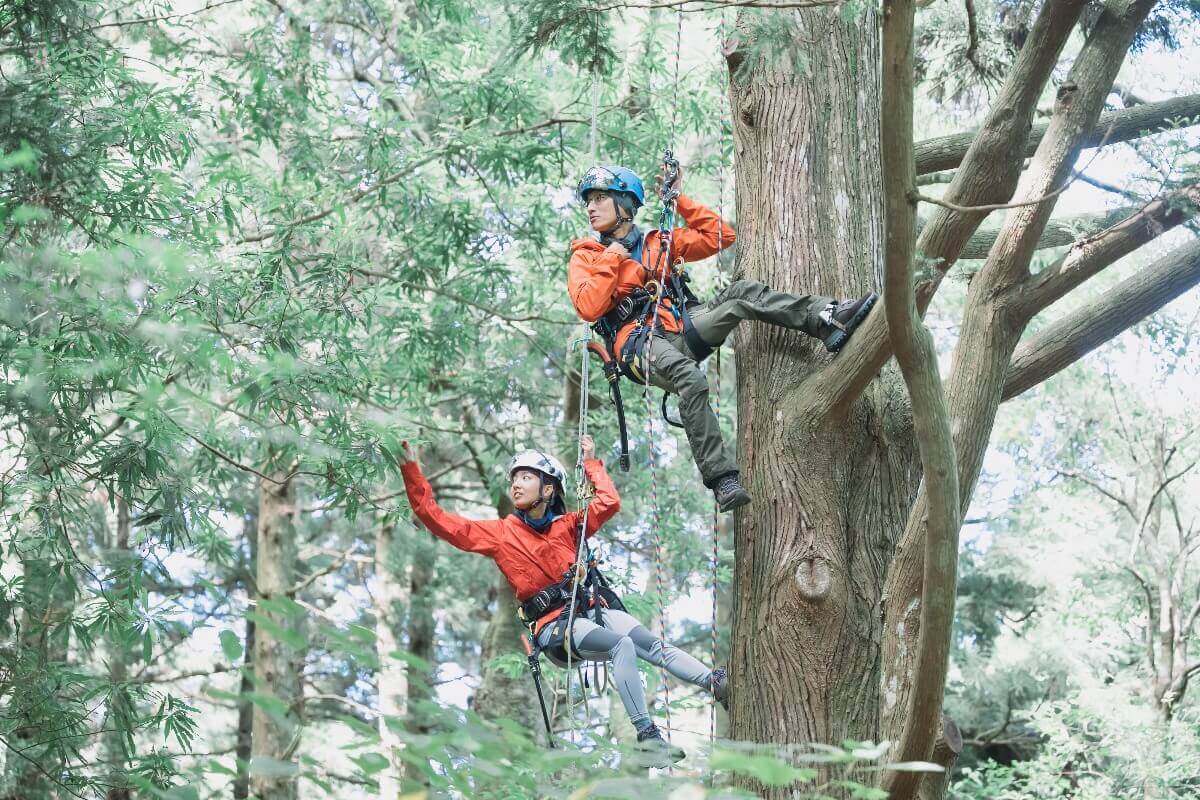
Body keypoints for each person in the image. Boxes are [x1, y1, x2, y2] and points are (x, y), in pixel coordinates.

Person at [567, 163, 878, 512]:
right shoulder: (587, 255)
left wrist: (678, 199)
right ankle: (722, 479)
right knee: (690, 377)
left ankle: (826, 318)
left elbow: (719, 236)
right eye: (589, 201)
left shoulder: (659, 243)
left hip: (682, 327)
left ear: (625, 203)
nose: (591, 207)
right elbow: (589, 305)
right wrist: (614, 255)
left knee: (742, 294)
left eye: (600, 198)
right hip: (638, 345)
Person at [399, 435, 728, 762]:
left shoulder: (570, 525)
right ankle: (647, 735)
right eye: (514, 478)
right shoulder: (500, 534)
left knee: (648, 643)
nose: (516, 484)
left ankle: (712, 682)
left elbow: (609, 502)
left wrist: (591, 463)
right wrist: (411, 469)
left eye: (526, 477)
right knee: (621, 645)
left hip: (588, 609)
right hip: (554, 626)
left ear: (548, 489)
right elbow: (437, 519)